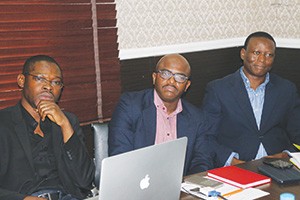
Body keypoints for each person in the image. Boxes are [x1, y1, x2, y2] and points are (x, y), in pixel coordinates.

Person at [0, 55, 95, 200]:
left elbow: (85, 180)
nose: (49, 87)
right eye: (40, 78)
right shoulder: (4, 122)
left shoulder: (68, 121)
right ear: (21, 81)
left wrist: (64, 124)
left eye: (56, 82)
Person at [202, 31, 300, 167]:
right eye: (256, 53)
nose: (262, 60)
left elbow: (297, 131)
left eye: (268, 55)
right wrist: (232, 161)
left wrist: (287, 154)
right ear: (243, 54)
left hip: (279, 165)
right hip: (237, 166)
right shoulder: (218, 89)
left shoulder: (286, 89)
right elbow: (206, 136)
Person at [108, 53, 214, 175]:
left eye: (180, 77)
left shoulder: (196, 117)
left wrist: (189, 187)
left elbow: (202, 161)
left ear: (187, 85)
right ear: (154, 77)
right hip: (139, 185)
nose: (171, 81)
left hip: (179, 188)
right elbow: (120, 157)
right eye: (165, 74)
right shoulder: (130, 106)